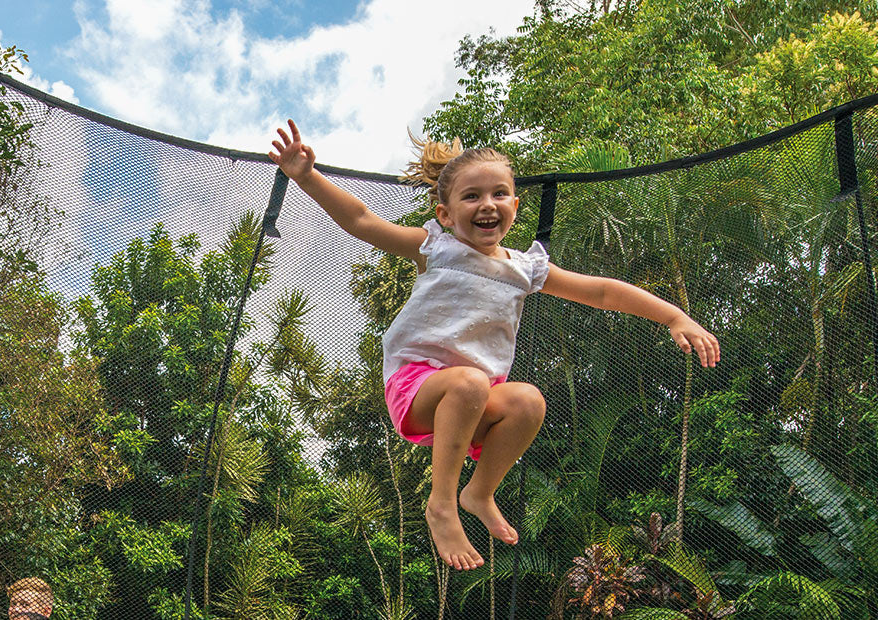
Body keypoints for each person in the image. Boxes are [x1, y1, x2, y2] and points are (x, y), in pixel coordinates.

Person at [267, 120, 720, 571]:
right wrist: (306, 176)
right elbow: (362, 221)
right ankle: (441, 503)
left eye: (499, 193)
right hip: (417, 387)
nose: (487, 204)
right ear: (445, 214)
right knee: (468, 382)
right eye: (471, 196)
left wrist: (673, 315)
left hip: (475, 400)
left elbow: (602, 291)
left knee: (527, 400)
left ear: (515, 205)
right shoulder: (436, 248)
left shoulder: (526, 269)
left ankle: (479, 491)